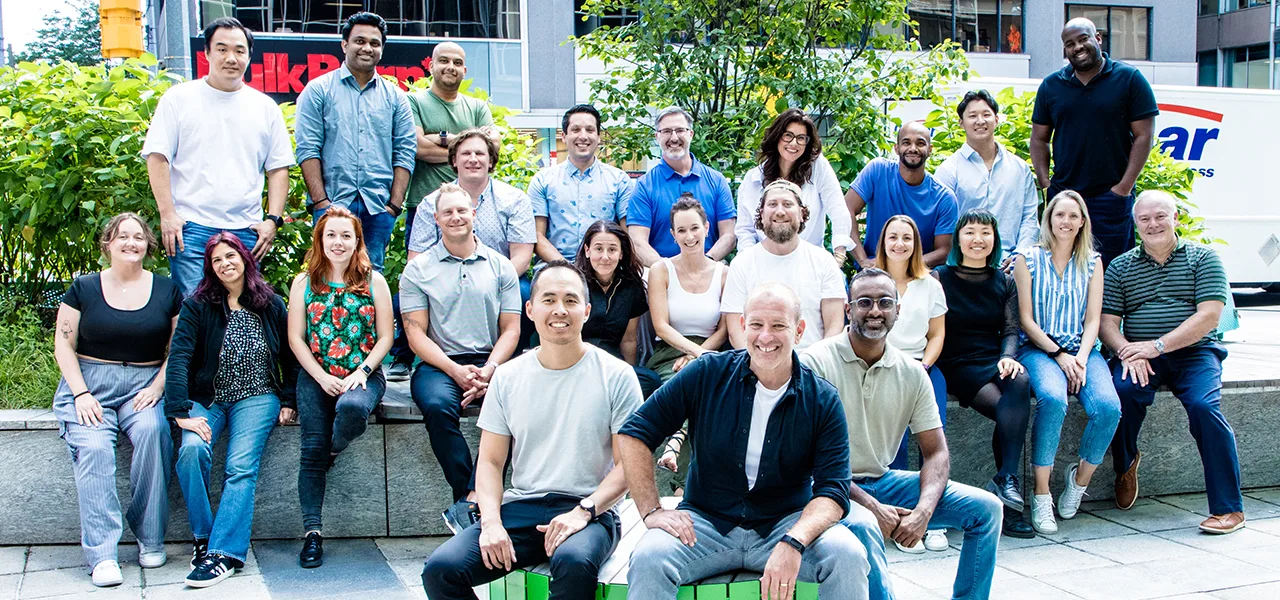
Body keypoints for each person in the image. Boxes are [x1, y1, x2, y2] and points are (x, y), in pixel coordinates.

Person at [620, 282, 871, 600]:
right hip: (704, 524)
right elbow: (635, 433)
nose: (765, 337)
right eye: (756, 325)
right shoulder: (707, 373)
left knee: (848, 556)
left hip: (785, 524)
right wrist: (651, 510)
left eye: (779, 325)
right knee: (648, 558)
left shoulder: (822, 399)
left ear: (798, 330)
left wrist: (794, 540)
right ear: (742, 326)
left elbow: (833, 491)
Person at [420, 261, 644, 599]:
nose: (560, 310)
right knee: (441, 570)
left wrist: (583, 512)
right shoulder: (508, 377)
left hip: (589, 510)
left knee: (574, 561)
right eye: (549, 299)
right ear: (530, 308)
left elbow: (629, 466)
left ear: (586, 310)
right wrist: (491, 521)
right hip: (523, 506)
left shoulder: (617, 375)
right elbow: (492, 462)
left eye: (570, 301)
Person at [802, 269, 1003, 600]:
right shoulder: (815, 363)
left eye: (885, 302)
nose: (876, 311)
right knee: (866, 523)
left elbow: (936, 452)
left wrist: (924, 511)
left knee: (987, 509)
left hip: (881, 482)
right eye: (864, 302)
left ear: (899, 310)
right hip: (824, 490)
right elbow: (808, 458)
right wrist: (872, 506)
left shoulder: (912, 373)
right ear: (849, 309)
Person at [1101, 191, 1245, 534]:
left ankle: (1229, 509)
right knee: (1121, 396)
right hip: (1138, 354)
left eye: (1160, 216)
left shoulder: (1203, 258)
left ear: (1176, 217)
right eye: (1145, 219)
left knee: (1203, 408)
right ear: (1136, 225)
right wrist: (1127, 351)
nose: (1153, 224)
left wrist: (1158, 346)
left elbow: (1210, 316)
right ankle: (1125, 465)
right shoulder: (1121, 266)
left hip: (1195, 353)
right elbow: (1107, 323)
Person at [52, 213, 181, 587]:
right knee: (94, 448)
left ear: (148, 245)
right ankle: (103, 554)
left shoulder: (166, 290)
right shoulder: (84, 288)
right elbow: (64, 343)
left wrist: (158, 387)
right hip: (91, 381)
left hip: (145, 382)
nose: (131, 243)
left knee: (154, 432)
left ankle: (151, 538)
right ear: (107, 243)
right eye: (122, 236)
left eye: (138, 237)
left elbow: (178, 347)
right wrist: (80, 393)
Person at [166, 233, 298, 588]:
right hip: (208, 399)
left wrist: (289, 399)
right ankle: (204, 538)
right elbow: (178, 358)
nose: (225, 264)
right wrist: (179, 411)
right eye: (216, 260)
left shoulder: (270, 303)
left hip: (257, 398)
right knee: (191, 451)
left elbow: (290, 355)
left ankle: (224, 554)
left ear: (244, 258)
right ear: (210, 268)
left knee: (240, 466)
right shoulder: (198, 305)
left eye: (230, 256)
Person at [401, 183, 522, 535]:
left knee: (515, 405)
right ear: (436, 219)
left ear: (473, 214)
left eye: (461, 210)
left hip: (491, 359)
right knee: (438, 407)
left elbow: (511, 329)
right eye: (447, 212)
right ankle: (470, 497)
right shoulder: (418, 269)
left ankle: (471, 501)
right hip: (439, 363)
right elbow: (415, 334)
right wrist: (454, 371)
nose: (455, 217)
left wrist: (489, 371)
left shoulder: (501, 267)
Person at [142, 17, 292, 297]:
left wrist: (272, 220)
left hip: (246, 229)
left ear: (249, 55)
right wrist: (168, 215)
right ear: (208, 52)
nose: (231, 58)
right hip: (191, 228)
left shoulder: (264, 107)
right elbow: (158, 156)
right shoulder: (179, 98)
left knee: (243, 308)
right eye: (222, 49)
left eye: (239, 50)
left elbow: (278, 168)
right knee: (194, 308)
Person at [287, 207, 394, 568]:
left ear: (357, 241)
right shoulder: (303, 282)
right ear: (320, 239)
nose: (338, 242)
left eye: (346, 235)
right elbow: (296, 338)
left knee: (351, 410)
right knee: (309, 447)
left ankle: (332, 451)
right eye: (331, 235)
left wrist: (362, 371)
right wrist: (320, 376)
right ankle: (312, 534)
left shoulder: (373, 281)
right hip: (316, 374)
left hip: (362, 373)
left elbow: (385, 337)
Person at [390, 41, 502, 381]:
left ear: (465, 70)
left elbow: (492, 146)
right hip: (426, 205)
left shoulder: (477, 105)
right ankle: (403, 354)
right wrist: (462, 142)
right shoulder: (415, 101)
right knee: (416, 279)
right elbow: (416, 147)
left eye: (457, 62)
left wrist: (441, 139)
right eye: (443, 61)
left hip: (469, 211)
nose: (450, 67)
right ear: (431, 66)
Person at [1011, 191, 1121, 535]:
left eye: (1074, 216)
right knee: (1054, 400)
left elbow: (1093, 321)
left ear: (1083, 222)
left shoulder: (1092, 261)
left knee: (1108, 408)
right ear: (1049, 219)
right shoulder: (1027, 259)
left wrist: (1082, 359)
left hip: (1082, 350)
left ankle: (1079, 480)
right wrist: (1060, 355)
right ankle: (1041, 493)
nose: (1066, 221)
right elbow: (1026, 320)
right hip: (1039, 350)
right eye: (1060, 214)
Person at [935, 209, 1034, 539]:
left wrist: (1008, 357)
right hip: (956, 362)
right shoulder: (939, 278)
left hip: (992, 358)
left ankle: (1006, 480)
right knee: (1008, 412)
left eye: (985, 233)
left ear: (995, 240)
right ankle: (1010, 500)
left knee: (1019, 380)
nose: (978, 239)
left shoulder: (1004, 281)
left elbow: (1011, 328)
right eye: (970, 232)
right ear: (959, 239)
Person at [1031, 17, 1158, 266]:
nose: (1077, 47)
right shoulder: (1051, 86)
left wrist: (1123, 188)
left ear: (1098, 38)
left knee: (1112, 275)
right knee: (1063, 269)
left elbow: (1144, 137)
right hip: (1065, 197)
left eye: (1083, 39)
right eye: (1069, 44)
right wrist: (1047, 184)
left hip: (1111, 199)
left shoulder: (1130, 79)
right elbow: (1038, 139)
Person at [295, 11, 416, 272]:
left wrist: (394, 205)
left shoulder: (396, 98)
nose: (367, 48)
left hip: (378, 208)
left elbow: (405, 152)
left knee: (371, 278)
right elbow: (307, 149)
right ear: (344, 44)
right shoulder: (318, 90)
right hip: (331, 203)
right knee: (327, 277)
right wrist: (321, 203)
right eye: (360, 41)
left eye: (375, 43)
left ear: (382, 50)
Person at [874, 216, 951, 550]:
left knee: (933, 441)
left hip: (923, 367)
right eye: (893, 237)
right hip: (882, 365)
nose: (900, 244)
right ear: (883, 242)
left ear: (916, 244)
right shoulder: (872, 282)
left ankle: (933, 518)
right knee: (894, 442)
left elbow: (937, 334)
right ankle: (899, 520)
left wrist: (924, 366)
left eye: (907, 238)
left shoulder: (930, 283)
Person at [407, 128, 536, 313]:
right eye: (466, 153)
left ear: (491, 161)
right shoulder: (431, 203)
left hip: (499, 278)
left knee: (525, 294)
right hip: (443, 278)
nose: (473, 159)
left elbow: (522, 258)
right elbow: (416, 258)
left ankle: (517, 342)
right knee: (402, 303)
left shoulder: (515, 200)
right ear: (454, 160)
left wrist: (487, 284)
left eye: (480, 153)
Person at [722, 180, 846, 351]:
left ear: (802, 213)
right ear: (761, 214)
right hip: (757, 365)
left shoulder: (824, 262)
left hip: (812, 367)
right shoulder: (742, 264)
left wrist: (811, 367)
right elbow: (736, 332)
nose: (780, 211)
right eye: (772, 204)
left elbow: (834, 327)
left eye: (787, 204)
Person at [934, 89, 1039, 265]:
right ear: (961, 123)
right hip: (962, 267)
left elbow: (1029, 218)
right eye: (972, 115)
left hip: (1011, 265)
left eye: (986, 115)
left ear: (996, 120)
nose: (980, 121)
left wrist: (1019, 256)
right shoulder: (949, 170)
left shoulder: (1019, 168)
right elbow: (941, 224)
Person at [735, 109, 853, 265]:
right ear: (777, 136)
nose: (793, 143)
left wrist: (838, 257)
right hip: (765, 262)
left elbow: (838, 210)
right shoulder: (754, 178)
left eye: (801, 138)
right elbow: (745, 230)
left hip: (810, 262)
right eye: (788, 135)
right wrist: (750, 263)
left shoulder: (818, 168)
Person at [627, 106, 737, 266]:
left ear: (690, 134)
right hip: (662, 277)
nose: (673, 137)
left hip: (710, 273)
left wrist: (706, 264)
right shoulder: (645, 186)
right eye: (666, 131)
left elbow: (729, 235)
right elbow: (637, 241)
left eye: (680, 130)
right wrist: (668, 271)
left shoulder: (716, 180)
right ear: (657, 136)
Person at [845, 121, 959, 269]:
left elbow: (943, 250)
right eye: (906, 143)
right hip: (873, 270)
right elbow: (845, 210)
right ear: (897, 148)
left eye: (920, 143)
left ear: (930, 149)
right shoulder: (877, 171)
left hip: (917, 273)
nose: (913, 148)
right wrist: (863, 261)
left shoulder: (944, 197)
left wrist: (901, 266)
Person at [529, 104, 634, 264]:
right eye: (576, 130)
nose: (583, 136)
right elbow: (537, 236)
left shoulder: (619, 180)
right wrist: (567, 268)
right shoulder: (543, 180)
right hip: (555, 267)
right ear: (564, 136)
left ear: (599, 137)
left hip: (605, 267)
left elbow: (628, 235)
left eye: (590, 130)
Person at [574, 221, 663, 399]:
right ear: (587, 250)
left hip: (612, 365)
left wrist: (628, 375)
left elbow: (629, 340)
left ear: (621, 253)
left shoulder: (631, 286)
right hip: (576, 362)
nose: (605, 257)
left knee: (650, 381)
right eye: (598, 249)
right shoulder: (574, 282)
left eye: (612, 249)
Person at [647, 194, 729, 380]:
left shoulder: (724, 274)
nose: (689, 236)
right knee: (681, 386)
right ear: (673, 235)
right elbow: (660, 326)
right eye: (682, 230)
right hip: (670, 355)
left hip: (710, 352)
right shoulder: (661, 270)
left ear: (706, 228)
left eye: (695, 228)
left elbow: (724, 330)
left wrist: (697, 355)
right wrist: (695, 353)